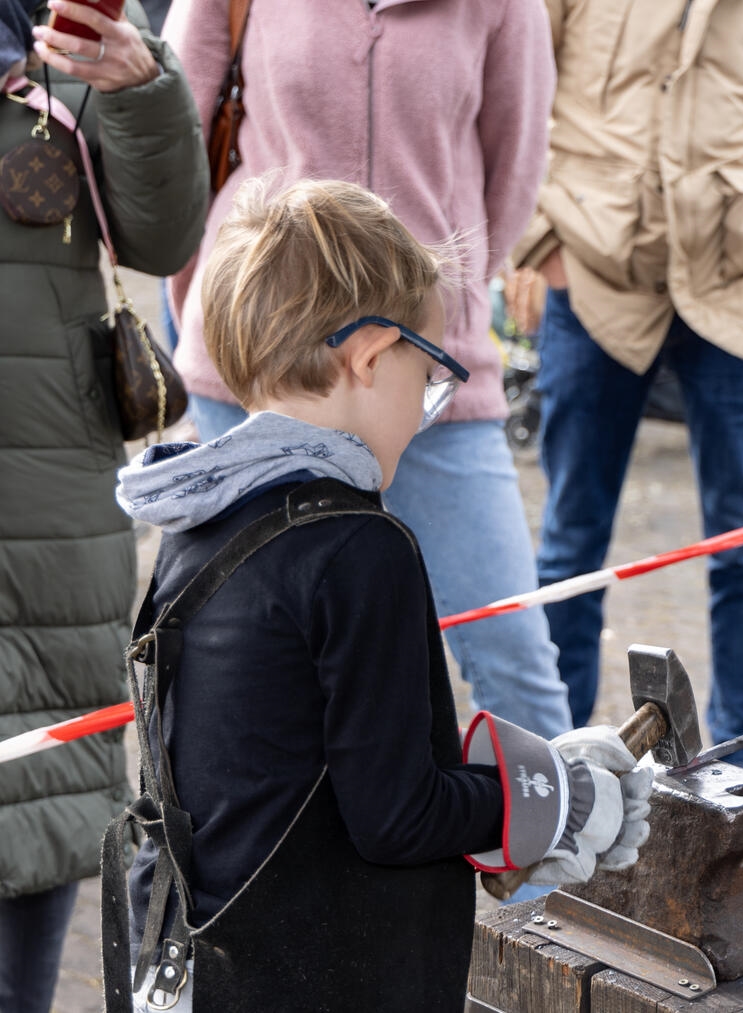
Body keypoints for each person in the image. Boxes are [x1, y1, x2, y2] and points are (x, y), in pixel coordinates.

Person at [104, 178, 653, 1012]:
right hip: (326, 973)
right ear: (368, 355)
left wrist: (521, 781)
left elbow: (309, 767)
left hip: (209, 967)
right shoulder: (361, 546)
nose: (428, 408)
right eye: (427, 375)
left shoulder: (199, 522)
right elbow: (397, 815)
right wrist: (562, 797)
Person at [161, 0, 574, 740]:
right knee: (245, 654)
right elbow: (174, 142)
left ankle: (561, 846)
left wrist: (446, 299)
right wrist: (212, 304)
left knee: (512, 654)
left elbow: (514, 170)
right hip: (257, 370)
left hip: (433, 373)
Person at [517, 0, 743, 833]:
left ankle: (742, 783)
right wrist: (541, 245)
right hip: (596, 272)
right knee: (571, 544)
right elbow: (518, 84)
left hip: (741, 274)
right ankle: (556, 783)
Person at [0, 2, 207, 1011]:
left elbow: (165, 236)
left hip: (50, 505)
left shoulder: (60, 49)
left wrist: (141, 89)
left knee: (39, 798)